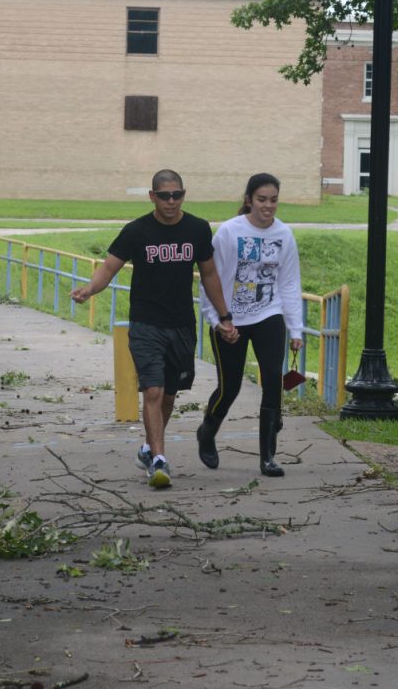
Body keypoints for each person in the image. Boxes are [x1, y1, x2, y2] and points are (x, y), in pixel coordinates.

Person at [71, 170, 237, 489]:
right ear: (152, 197)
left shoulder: (198, 229)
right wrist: (89, 290)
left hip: (181, 325)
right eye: (165, 196)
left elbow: (210, 275)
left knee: (169, 397)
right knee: (153, 390)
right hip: (146, 323)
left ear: (183, 195)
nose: (171, 201)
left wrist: (224, 316)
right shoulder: (137, 231)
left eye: (177, 195)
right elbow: (108, 267)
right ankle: (159, 460)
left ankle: (148, 448)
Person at [197, 173, 304, 477]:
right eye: (261, 199)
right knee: (229, 388)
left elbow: (289, 283)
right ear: (248, 200)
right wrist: (217, 320)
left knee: (272, 380)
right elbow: (210, 279)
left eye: (273, 200)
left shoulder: (284, 235)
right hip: (230, 319)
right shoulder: (230, 233)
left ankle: (268, 456)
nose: (268, 206)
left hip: (269, 315)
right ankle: (207, 432)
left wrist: (295, 329)